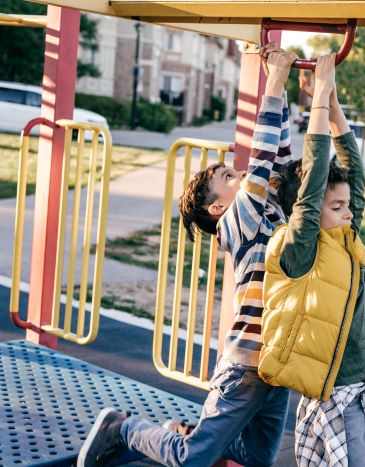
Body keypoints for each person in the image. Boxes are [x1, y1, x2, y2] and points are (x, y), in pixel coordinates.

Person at [77, 44, 297, 467]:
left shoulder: (269, 209)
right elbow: (265, 153)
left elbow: (282, 162)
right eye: (230, 176)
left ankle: (189, 432)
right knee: (191, 461)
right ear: (218, 208)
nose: (243, 173)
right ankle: (123, 428)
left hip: (277, 363)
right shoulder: (241, 222)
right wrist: (275, 80)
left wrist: (289, 91)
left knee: (254, 462)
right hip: (246, 365)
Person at [258, 54, 365, 467]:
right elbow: (316, 175)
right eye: (336, 207)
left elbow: (351, 170)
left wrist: (332, 101)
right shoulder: (299, 248)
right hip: (339, 396)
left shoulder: (346, 236)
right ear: (312, 210)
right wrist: (317, 96)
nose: (349, 210)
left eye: (346, 205)